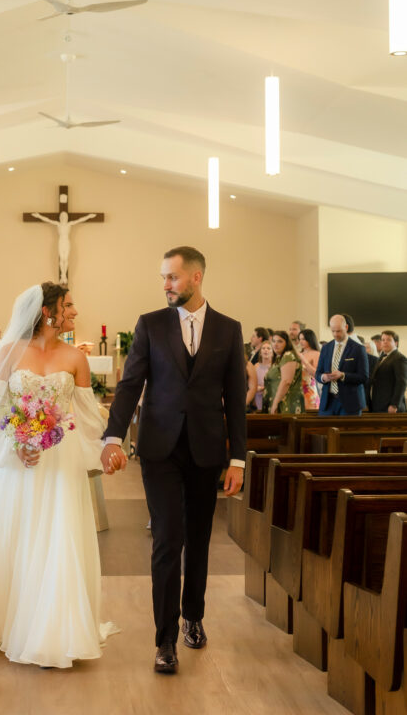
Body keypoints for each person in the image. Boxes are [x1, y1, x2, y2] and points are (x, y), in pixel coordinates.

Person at [0, 282, 116, 667]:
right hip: (20, 461)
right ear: (47, 311)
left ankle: (55, 631)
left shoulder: (76, 356)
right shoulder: (8, 352)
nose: (74, 312)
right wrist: (16, 444)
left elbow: (88, 416)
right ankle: (12, 620)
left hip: (63, 460)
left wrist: (111, 445)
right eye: (68, 305)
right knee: (20, 535)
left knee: (60, 536)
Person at [101, 246, 246, 675]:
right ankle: (164, 640)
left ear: (196, 277)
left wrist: (237, 458)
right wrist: (112, 436)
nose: (165, 285)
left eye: (173, 277)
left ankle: (193, 617)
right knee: (167, 540)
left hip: (206, 449)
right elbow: (130, 385)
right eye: (163, 277)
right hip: (160, 448)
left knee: (199, 539)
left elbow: (235, 399)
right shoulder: (150, 325)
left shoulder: (228, 329)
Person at [316, 314, 369, 416]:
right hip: (328, 401)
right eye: (333, 331)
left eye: (339, 331)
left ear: (346, 327)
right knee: (324, 431)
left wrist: (343, 375)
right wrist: (323, 377)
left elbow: (364, 377)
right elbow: (318, 373)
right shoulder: (326, 348)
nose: (335, 334)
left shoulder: (358, 349)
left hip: (350, 403)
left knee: (347, 431)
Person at [368, 331, 407, 413]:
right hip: (378, 404)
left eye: (389, 340)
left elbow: (401, 383)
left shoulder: (399, 358)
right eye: (383, 340)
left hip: (390, 407)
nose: (385, 342)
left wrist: (394, 405)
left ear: (396, 343)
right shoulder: (381, 357)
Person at [267, 331, 305, 414]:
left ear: (287, 343)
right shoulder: (279, 358)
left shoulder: (288, 355)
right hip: (279, 401)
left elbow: (286, 381)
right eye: (273, 341)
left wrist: (275, 403)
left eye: (280, 341)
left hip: (286, 403)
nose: (275, 344)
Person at [296, 329, 321, 410]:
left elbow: (316, 374)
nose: (301, 342)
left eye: (303, 339)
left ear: (310, 339)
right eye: (299, 339)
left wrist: (305, 361)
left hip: (309, 390)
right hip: (296, 391)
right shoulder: (299, 354)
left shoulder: (316, 354)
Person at [246, 339, 272, 411]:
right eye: (263, 348)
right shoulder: (256, 366)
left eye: (268, 348)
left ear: (272, 352)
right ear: (260, 352)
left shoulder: (275, 366)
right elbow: (251, 382)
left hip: (270, 395)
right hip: (257, 395)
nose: (265, 350)